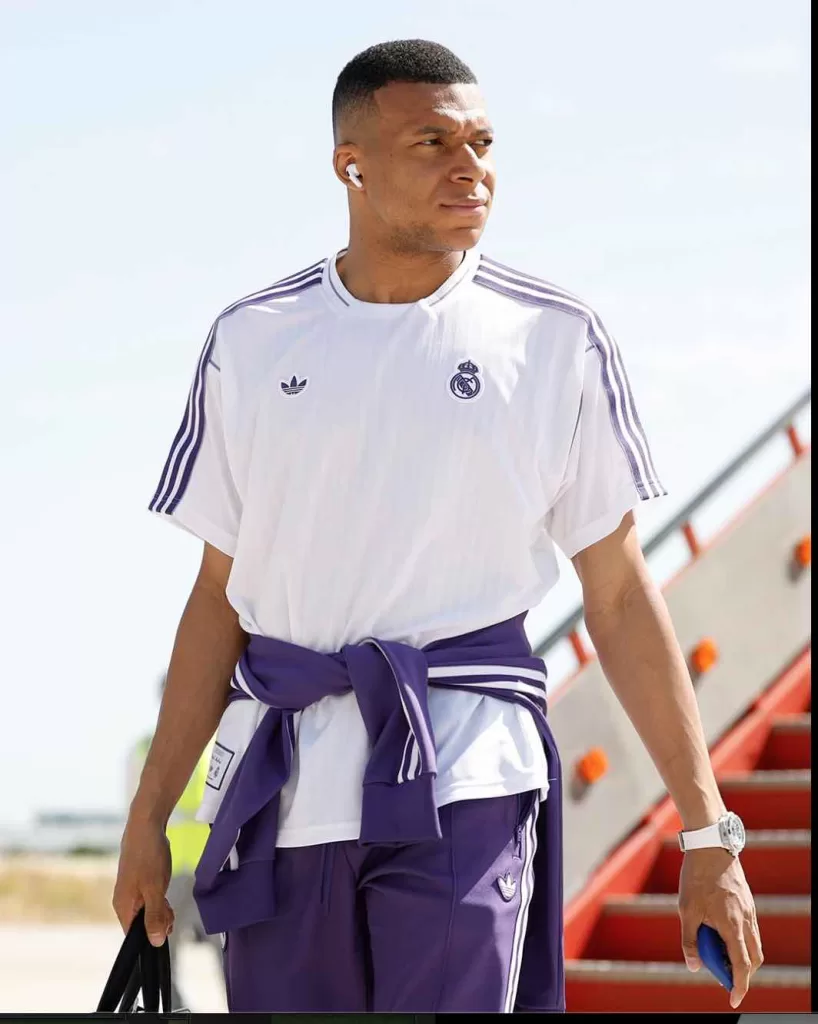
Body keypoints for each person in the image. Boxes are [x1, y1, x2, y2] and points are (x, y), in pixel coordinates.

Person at [113, 39, 763, 1013]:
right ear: (351, 164)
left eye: (483, 143)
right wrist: (148, 815)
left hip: (466, 776)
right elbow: (219, 597)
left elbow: (620, 595)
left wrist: (707, 832)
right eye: (433, 142)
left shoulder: (554, 338)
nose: (472, 168)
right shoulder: (250, 340)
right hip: (284, 795)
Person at [127, 677, 224, 1010]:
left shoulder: (217, 744)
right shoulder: (144, 749)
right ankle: (178, 1012)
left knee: (228, 951)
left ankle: (240, 1009)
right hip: (170, 872)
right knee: (160, 950)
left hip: (210, 869)